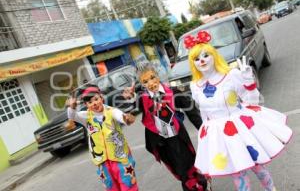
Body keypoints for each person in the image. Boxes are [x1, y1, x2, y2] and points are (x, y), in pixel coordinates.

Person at [186, 30, 293, 191]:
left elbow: (251, 100)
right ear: (192, 63)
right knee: (237, 172)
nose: (201, 60)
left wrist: (249, 82)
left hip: (240, 127)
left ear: (214, 56)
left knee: (257, 166)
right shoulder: (195, 85)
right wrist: (205, 137)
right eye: (196, 58)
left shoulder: (231, 75)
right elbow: (204, 113)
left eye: (205, 55)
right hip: (218, 133)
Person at [131, 63, 208, 191]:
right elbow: (130, 111)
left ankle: (199, 186)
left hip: (179, 138)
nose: (151, 83)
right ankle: (194, 185)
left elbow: (191, 112)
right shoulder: (142, 99)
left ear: (158, 76)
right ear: (142, 84)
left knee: (189, 167)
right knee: (178, 170)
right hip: (162, 143)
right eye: (145, 81)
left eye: (152, 77)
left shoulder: (173, 92)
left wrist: (203, 129)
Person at [66, 84, 138, 191]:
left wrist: (127, 118)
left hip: (119, 158)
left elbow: (121, 116)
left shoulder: (111, 111)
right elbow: (72, 116)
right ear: (86, 104)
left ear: (101, 97)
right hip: (102, 162)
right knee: (111, 188)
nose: (94, 103)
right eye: (90, 102)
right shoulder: (86, 116)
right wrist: (71, 107)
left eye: (96, 99)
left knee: (128, 185)